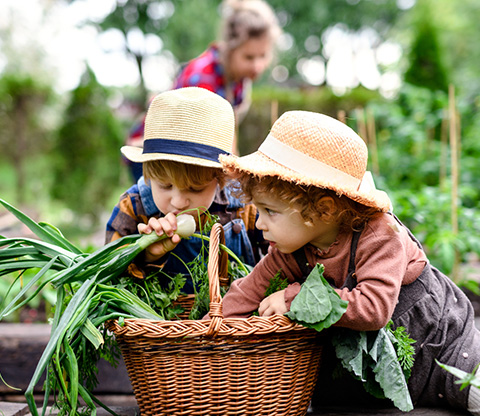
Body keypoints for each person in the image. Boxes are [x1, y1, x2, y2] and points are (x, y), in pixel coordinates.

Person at [213, 110, 480, 414]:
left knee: (472, 388)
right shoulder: (287, 250)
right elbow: (246, 293)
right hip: (365, 378)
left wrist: (296, 298)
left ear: (323, 211)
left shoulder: (380, 234)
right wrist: (213, 336)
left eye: (270, 212)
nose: (259, 223)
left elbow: (374, 309)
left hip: (438, 346)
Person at [106, 87, 266, 293]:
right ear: (147, 174)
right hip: (161, 326)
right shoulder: (133, 208)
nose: (179, 202)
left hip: (236, 323)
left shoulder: (245, 205)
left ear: (221, 179)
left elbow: (282, 258)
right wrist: (147, 255)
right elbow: (109, 276)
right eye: (165, 185)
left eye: (195, 189)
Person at [125, 0, 281, 182]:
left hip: (188, 152)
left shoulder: (237, 79)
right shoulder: (203, 77)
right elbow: (201, 141)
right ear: (230, 49)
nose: (257, 66)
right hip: (152, 151)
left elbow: (229, 130)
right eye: (249, 57)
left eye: (263, 56)